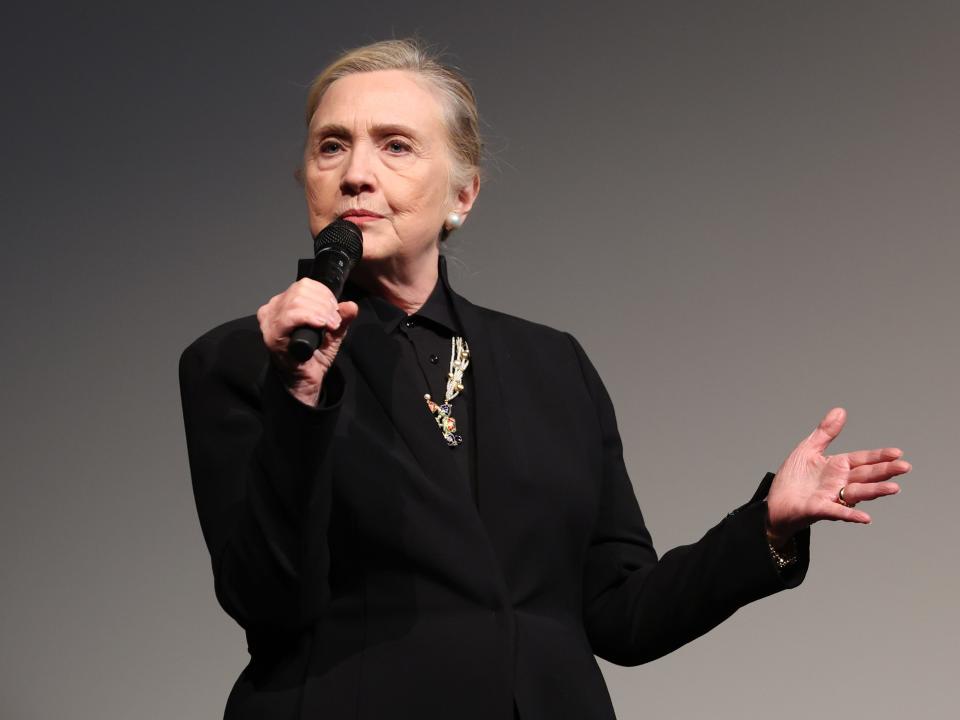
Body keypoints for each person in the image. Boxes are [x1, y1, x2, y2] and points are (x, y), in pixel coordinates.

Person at [178, 39, 911, 720]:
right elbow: (268, 600)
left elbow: (619, 613)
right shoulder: (243, 360)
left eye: (395, 145)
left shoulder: (550, 363)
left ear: (462, 196)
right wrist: (299, 394)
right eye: (330, 146)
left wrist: (768, 528)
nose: (356, 173)